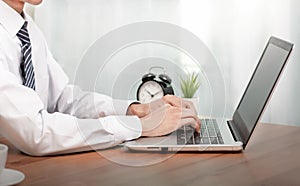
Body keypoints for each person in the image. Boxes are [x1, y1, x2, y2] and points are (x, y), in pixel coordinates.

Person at [0, 0, 200, 156]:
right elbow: (36, 132)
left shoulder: (27, 28)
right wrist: (140, 126)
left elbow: (63, 99)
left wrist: (133, 110)